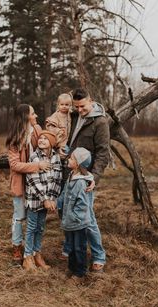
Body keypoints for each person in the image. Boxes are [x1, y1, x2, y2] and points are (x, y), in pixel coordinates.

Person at [62, 88, 110, 272]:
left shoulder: (100, 122)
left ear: (91, 100)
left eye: (82, 106)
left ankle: (99, 255)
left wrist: (93, 178)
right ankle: (70, 248)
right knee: (66, 209)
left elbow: (103, 153)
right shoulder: (73, 115)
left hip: (85, 177)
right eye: (77, 106)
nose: (79, 110)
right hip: (70, 172)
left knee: (87, 218)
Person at [5, 104, 51, 263]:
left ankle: (32, 249)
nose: (36, 115)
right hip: (21, 183)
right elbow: (15, 165)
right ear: (25, 117)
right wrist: (37, 166)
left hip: (37, 183)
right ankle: (17, 246)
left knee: (35, 218)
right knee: (19, 216)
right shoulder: (15, 139)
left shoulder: (37, 130)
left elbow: (48, 142)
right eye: (33, 113)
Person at [23, 130, 62, 271]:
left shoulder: (56, 158)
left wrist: (51, 199)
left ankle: (37, 253)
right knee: (32, 227)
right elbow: (33, 180)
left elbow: (57, 179)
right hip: (34, 199)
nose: (41, 140)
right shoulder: (34, 157)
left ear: (51, 143)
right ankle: (27, 257)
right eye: (40, 138)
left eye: (45, 139)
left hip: (48, 200)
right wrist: (44, 199)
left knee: (40, 228)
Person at [60, 147, 94, 279]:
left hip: (78, 222)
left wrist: (74, 216)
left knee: (79, 247)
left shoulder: (80, 182)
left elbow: (82, 204)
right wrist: (57, 203)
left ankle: (80, 272)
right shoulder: (71, 175)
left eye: (72, 158)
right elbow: (64, 194)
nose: (69, 159)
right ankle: (71, 268)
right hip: (70, 221)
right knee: (71, 247)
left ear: (78, 163)